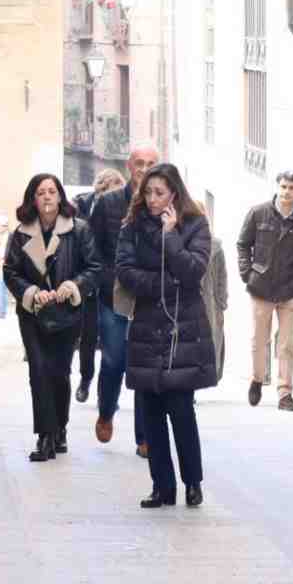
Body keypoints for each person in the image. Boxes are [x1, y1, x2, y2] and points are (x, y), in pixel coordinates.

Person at [116, 163, 215, 508]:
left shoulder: (195, 225)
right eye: (148, 192)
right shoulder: (132, 226)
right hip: (145, 327)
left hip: (182, 329)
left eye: (159, 192)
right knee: (151, 410)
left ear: (174, 193)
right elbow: (126, 271)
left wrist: (171, 236)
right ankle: (162, 486)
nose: (153, 199)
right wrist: (163, 284)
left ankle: (192, 482)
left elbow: (193, 271)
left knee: (181, 409)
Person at [2, 174, 102, 462]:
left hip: (67, 312)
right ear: (33, 199)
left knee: (59, 373)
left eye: (51, 191)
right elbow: (10, 272)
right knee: (38, 371)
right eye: (40, 192)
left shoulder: (79, 231)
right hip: (33, 314)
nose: (46, 196)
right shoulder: (21, 234)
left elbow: (95, 268)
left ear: (60, 197)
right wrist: (32, 292)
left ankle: (60, 428)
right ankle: (44, 436)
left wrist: (72, 287)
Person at [88, 146, 160, 449]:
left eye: (151, 164)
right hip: (113, 296)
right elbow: (93, 251)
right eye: (139, 163)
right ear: (129, 166)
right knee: (114, 360)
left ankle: (144, 438)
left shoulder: (161, 204)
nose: (144, 168)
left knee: (144, 366)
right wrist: (108, 281)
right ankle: (106, 412)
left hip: (148, 297)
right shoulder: (107, 204)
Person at [237, 171, 293, 411]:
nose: (286, 192)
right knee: (259, 340)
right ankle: (257, 379)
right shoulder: (257, 213)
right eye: (283, 186)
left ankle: (285, 393)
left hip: (289, 288)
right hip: (261, 286)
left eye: (291, 188)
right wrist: (247, 273)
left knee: (286, 343)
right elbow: (243, 244)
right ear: (277, 187)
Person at [72, 169, 127, 404]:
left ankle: (105, 392)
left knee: (109, 338)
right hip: (86, 279)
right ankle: (85, 379)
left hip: (109, 282)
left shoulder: (123, 210)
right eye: (109, 192)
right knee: (88, 335)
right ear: (100, 190)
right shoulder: (81, 206)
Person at [199, 206, 229, 382]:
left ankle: (206, 374)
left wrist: (221, 301)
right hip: (187, 301)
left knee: (211, 340)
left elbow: (222, 276)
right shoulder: (178, 241)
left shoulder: (215, 246)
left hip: (210, 302)